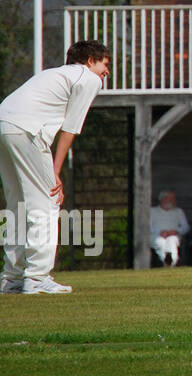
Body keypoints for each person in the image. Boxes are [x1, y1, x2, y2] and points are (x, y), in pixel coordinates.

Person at [0, 40, 110, 294]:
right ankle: (37, 277)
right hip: (27, 130)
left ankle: (12, 277)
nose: (107, 72)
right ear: (90, 60)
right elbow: (70, 129)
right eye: (105, 64)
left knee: (18, 203)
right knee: (47, 202)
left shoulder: (53, 73)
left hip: (4, 124)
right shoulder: (88, 78)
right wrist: (56, 172)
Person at [149, 190, 189, 268]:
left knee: (172, 240)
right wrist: (159, 232)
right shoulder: (152, 211)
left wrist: (176, 231)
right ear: (163, 199)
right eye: (170, 199)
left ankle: (170, 262)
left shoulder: (178, 211)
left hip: (173, 235)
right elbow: (148, 227)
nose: (173, 201)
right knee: (161, 242)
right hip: (156, 235)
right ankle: (171, 263)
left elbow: (186, 227)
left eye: (173, 199)